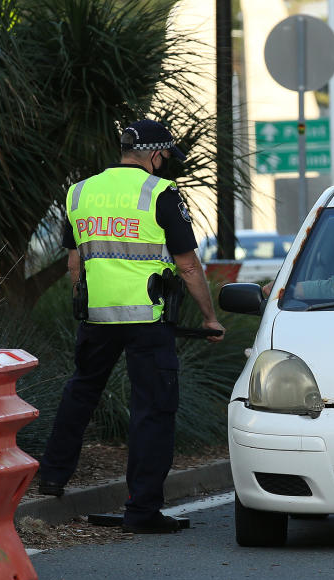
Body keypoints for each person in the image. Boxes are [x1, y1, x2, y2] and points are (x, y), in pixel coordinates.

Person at [37, 119, 225, 534]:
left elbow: (74, 264)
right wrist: (210, 318)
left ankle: (52, 475)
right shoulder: (160, 193)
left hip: (96, 317)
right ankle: (142, 509)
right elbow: (188, 265)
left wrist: (86, 303)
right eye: (164, 158)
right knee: (153, 410)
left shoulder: (80, 191)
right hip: (147, 320)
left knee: (80, 391)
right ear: (156, 155)